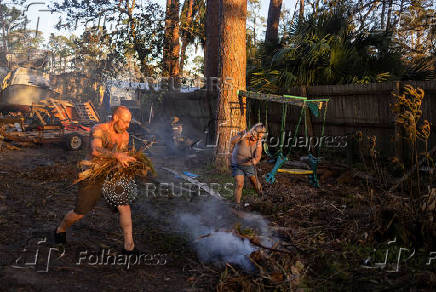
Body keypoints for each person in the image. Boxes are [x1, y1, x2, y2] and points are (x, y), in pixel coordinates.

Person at [54, 106, 139, 254]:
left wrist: (125, 162)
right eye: (125, 122)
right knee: (80, 212)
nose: (127, 126)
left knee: (124, 206)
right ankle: (60, 229)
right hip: (93, 173)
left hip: (112, 173)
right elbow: (95, 150)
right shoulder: (99, 129)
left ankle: (129, 247)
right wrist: (117, 156)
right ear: (115, 118)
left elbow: (121, 155)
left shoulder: (125, 135)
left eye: (129, 122)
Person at [230, 123, 267, 205]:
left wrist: (255, 160)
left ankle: (261, 196)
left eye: (261, 137)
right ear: (253, 132)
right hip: (237, 164)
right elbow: (232, 141)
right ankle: (237, 204)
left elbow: (258, 155)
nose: (259, 138)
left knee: (254, 182)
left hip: (249, 165)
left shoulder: (258, 142)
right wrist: (243, 135)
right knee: (239, 184)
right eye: (258, 136)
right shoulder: (243, 135)